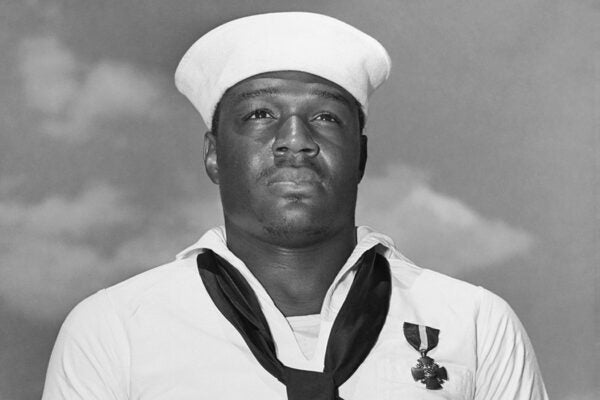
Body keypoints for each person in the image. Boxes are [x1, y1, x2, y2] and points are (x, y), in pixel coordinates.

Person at [42, 12, 549, 400]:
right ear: (214, 153)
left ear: (362, 155)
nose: (295, 140)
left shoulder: (474, 323)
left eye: (326, 117)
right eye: (261, 114)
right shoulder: (114, 329)